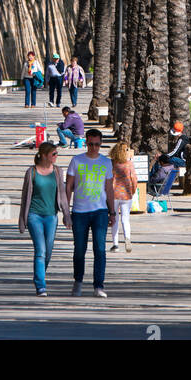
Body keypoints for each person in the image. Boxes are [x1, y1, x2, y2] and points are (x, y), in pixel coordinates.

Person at [65, 127, 115, 297]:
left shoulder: (106, 162)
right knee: (79, 249)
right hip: (79, 212)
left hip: (100, 211)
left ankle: (98, 286)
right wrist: (66, 211)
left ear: (101, 144)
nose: (94, 147)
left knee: (100, 249)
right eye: (91, 144)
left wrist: (112, 212)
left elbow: (109, 188)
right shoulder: (77, 160)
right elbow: (69, 186)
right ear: (86, 142)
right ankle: (78, 281)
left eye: (97, 145)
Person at [18, 140, 72, 295]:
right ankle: (40, 284)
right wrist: (22, 220)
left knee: (48, 251)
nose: (56, 156)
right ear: (43, 155)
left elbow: (62, 194)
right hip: (34, 215)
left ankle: (39, 272)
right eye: (53, 154)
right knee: (40, 250)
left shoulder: (57, 171)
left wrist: (67, 215)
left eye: (56, 154)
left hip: (51, 216)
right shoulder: (32, 172)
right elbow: (24, 198)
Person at [109, 140, 138, 252]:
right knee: (126, 219)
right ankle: (127, 238)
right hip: (126, 195)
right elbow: (134, 179)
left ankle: (115, 244)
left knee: (114, 220)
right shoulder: (129, 164)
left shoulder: (111, 163)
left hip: (113, 194)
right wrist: (133, 191)